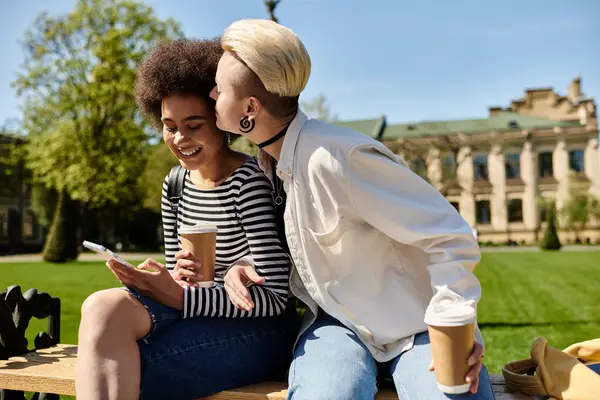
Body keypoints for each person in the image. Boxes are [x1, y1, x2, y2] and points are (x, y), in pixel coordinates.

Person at [211, 19, 496, 400]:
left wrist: (451, 321)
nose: (212, 93)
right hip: (337, 327)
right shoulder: (269, 164)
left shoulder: (338, 158)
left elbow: (450, 235)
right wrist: (243, 264)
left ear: (250, 107)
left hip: (416, 326)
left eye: (220, 87)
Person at [74, 38, 296, 400]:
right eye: (169, 125)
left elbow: (275, 297)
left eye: (194, 125)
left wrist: (179, 297)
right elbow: (184, 277)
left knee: (118, 364)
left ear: (220, 121)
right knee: (100, 307)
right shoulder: (175, 184)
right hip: (199, 312)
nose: (179, 138)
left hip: (260, 328)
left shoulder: (248, 182)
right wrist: (165, 279)